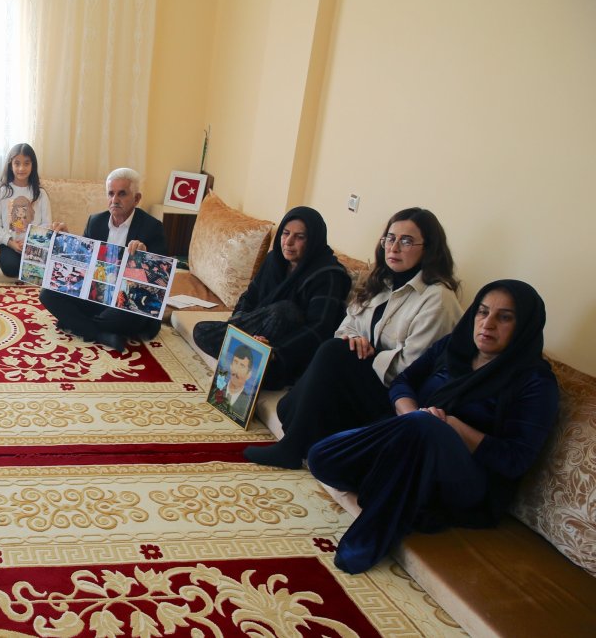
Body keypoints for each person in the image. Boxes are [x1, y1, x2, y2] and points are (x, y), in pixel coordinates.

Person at [307, 280, 558, 574]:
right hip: (410, 442)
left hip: (467, 483)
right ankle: (397, 484)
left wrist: (450, 425)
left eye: (504, 317)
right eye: (482, 311)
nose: (487, 324)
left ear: (524, 325)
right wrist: (413, 415)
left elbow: (514, 460)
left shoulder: (535, 382)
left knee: (425, 428)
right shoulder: (453, 347)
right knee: (322, 458)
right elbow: (403, 382)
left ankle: (367, 539)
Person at [244, 207, 463, 468]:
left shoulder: (437, 298)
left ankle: (290, 449)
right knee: (288, 408)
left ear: (428, 248)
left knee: (333, 352)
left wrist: (366, 352)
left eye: (406, 241)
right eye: (390, 239)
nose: (393, 247)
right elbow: (346, 327)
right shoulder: (382, 283)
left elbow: (412, 368)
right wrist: (354, 341)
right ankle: (308, 436)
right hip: (361, 381)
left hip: (395, 397)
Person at [192, 206, 351, 389]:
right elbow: (250, 296)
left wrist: (275, 351)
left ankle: (259, 364)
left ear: (313, 240)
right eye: (285, 233)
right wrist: (240, 321)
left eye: (299, 237)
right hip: (255, 333)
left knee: (284, 311)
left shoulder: (327, 275)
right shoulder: (274, 260)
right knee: (201, 331)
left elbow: (319, 328)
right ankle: (250, 359)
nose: (288, 242)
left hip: (287, 352)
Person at [39, 167, 165, 351]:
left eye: (122, 194)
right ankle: (100, 333)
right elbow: (82, 267)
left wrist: (145, 256)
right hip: (96, 295)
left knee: (126, 316)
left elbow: (159, 284)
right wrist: (66, 242)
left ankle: (78, 324)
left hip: (126, 301)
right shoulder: (95, 221)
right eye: (111, 194)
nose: (115, 200)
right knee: (47, 294)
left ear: (137, 199)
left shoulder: (152, 227)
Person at [0, 143, 52, 277]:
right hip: (10, 243)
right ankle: (5, 258)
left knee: (40, 271)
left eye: (26, 163)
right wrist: (11, 243)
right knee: (11, 269)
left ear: (33, 165)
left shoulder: (40, 194)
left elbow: (47, 224)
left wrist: (30, 242)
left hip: (34, 244)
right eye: (17, 163)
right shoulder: (3, 193)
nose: (21, 168)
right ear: (10, 165)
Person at [212, 344, 256, 420]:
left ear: (249, 375)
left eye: (242, 366)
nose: (236, 369)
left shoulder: (247, 403)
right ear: (231, 365)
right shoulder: (216, 389)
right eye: (235, 362)